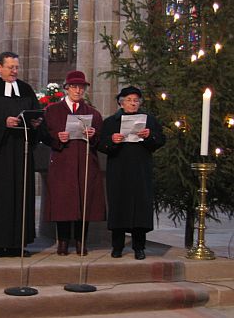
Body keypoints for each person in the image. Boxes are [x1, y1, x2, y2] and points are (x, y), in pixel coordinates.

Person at [0, 51, 42, 257]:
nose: (14, 71)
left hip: (21, 150)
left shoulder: (26, 89)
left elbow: (35, 113)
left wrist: (36, 123)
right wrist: (4, 122)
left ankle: (19, 243)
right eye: (10, 67)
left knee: (21, 196)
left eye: (16, 67)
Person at [98, 86, 165, 260]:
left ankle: (139, 247)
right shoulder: (111, 122)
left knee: (140, 208)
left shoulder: (148, 120)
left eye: (136, 100)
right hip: (119, 170)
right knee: (119, 206)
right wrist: (112, 140)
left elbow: (160, 140)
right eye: (129, 100)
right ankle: (117, 246)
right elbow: (101, 144)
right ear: (121, 103)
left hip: (141, 170)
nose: (133, 103)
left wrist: (149, 136)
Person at [43, 71, 106, 255]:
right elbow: (45, 136)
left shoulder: (93, 113)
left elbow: (100, 141)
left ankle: (80, 241)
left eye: (81, 87)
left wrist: (94, 136)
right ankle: (62, 242)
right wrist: (57, 137)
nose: (78, 90)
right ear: (67, 88)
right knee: (63, 202)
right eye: (74, 87)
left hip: (85, 162)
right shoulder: (52, 110)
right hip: (63, 162)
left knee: (83, 201)